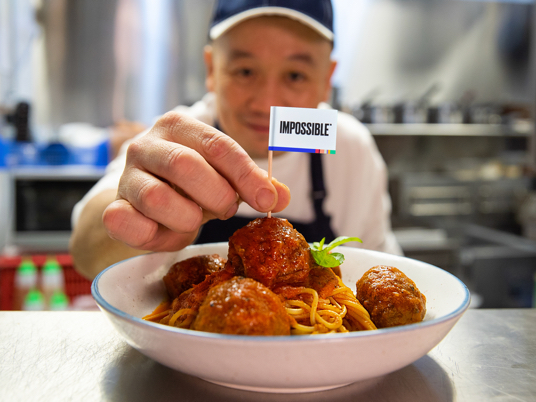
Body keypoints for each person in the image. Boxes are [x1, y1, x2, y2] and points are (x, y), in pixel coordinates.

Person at [69, 0, 402, 280]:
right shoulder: (176, 136)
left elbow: (375, 268)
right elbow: (85, 251)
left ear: (327, 80)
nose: (265, 104)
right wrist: (135, 219)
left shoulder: (351, 149)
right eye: (245, 71)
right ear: (212, 69)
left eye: (295, 75)